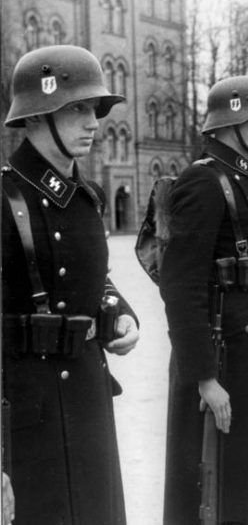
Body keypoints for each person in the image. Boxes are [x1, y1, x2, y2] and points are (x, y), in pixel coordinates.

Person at [1, 45, 140, 524]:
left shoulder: (86, 197)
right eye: (77, 108)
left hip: (87, 399)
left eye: (94, 109)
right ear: (37, 117)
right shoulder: (4, 199)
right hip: (27, 421)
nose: (94, 121)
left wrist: (120, 312)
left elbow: (96, 278)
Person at [159, 75, 248, 525]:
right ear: (230, 120)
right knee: (218, 487)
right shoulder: (203, 181)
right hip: (222, 354)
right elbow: (181, 285)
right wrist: (203, 376)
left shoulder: (246, 176)